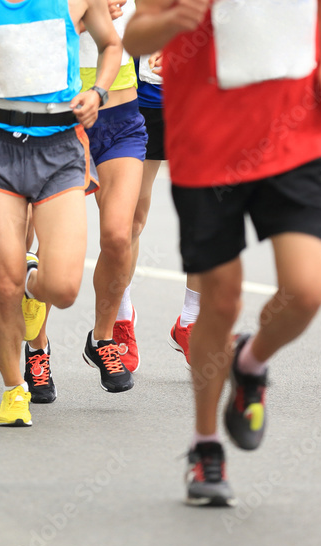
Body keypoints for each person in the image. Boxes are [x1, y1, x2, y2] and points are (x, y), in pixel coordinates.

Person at [125, 0, 321, 506]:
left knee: (307, 290)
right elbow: (135, 38)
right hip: (206, 143)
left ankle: (249, 363)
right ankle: (205, 444)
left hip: (293, 132)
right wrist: (172, 21)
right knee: (221, 302)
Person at [0, 0, 121, 426]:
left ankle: (31, 283)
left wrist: (97, 92)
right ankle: (12, 390)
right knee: (4, 282)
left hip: (59, 146)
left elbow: (111, 45)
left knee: (62, 288)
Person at [77, 0, 144, 394]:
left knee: (120, 235)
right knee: (49, 252)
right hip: (63, 116)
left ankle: (102, 338)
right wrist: (87, 14)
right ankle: (37, 350)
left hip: (122, 116)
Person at [130, 49, 200, 368]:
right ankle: (119, 318)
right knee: (131, 217)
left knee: (206, 211)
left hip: (198, 97)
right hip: (140, 98)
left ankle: (191, 320)